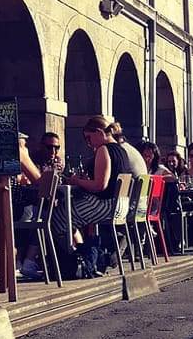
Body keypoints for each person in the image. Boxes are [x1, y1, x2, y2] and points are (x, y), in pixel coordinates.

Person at [52, 115, 138, 272]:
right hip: (120, 205)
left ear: (99, 132)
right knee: (69, 214)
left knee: (57, 217)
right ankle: (89, 257)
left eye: (89, 138)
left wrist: (76, 181)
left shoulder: (103, 149)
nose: (88, 143)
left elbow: (100, 185)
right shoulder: (122, 150)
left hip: (106, 205)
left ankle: (79, 257)